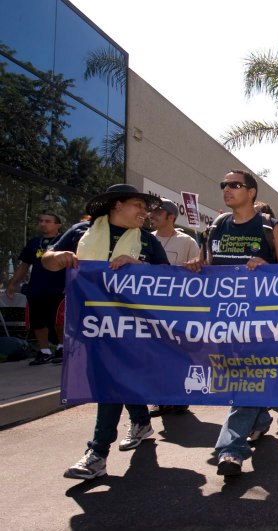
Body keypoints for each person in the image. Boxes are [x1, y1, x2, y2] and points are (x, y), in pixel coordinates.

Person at [42, 184, 168, 480]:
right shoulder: (80, 233)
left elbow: (167, 281)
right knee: (118, 378)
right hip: (90, 322)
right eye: (138, 205)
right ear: (117, 205)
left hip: (134, 325)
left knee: (111, 379)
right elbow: (46, 259)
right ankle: (140, 420)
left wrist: (137, 267)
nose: (144, 213)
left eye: (146, 208)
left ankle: (97, 453)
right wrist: (57, 257)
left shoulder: (148, 243)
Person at [185, 169, 278, 477]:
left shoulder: (270, 227)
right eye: (224, 185)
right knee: (240, 379)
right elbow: (209, 266)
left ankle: (231, 449)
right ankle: (260, 419)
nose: (227, 189)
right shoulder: (218, 226)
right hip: (224, 320)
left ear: (251, 192)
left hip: (259, 322)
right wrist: (198, 265)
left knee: (246, 378)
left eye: (235, 185)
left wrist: (267, 266)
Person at [147, 198, 201, 416]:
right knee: (155, 354)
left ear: (171, 217)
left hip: (178, 310)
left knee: (178, 354)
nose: (152, 216)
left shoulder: (187, 241)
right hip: (149, 309)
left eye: (158, 213)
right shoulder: (145, 239)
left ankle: (179, 397)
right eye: (152, 213)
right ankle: (159, 398)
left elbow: (198, 270)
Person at [5, 212, 65, 365]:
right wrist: (12, 284)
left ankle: (62, 347)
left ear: (58, 225)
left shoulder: (66, 241)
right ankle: (44, 352)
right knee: (38, 322)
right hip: (36, 289)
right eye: (41, 221)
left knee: (58, 320)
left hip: (59, 288)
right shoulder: (33, 243)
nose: (43, 224)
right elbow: (24, 265)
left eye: (48, 221)